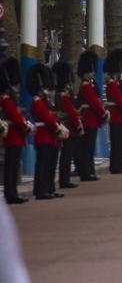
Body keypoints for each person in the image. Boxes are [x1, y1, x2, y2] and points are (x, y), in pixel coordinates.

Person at [27, 63, 64, 200]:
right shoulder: (36, 102)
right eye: (42, 88)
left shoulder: (44, 101)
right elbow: (47, 117)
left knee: (50, 164)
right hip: (43, 135)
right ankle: (40, 190)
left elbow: (52, 112)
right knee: (43, 165)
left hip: (49, 135)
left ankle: (49, 188)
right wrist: (56, 127)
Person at [1, 59, 33, 205]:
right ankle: (11, 193)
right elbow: (14, 115)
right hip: (13, 134)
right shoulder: (6, 98)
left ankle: (12, 192)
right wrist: (25, 126)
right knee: (11, 166)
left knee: (13, 165)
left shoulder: (10, 96)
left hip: (16, 134)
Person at [50, 61, 80, 191]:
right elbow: (71, 112)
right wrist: (78, 124)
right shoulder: (63, 96)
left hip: (65, 127)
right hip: (68, 128)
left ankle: (65, 179)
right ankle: (64, 179)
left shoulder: (60, 95)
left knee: (66, 156)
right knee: (66, 156)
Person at [74, 51, 104, 182]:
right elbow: (94, 102)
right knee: (88, 147)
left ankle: (89, 171)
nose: (92, 73)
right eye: (90, 71)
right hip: (89, 119)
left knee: (89, 147)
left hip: (92, 118)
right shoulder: (86, 86)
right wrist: (103, 114)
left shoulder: (90, 84)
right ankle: (86, 172)